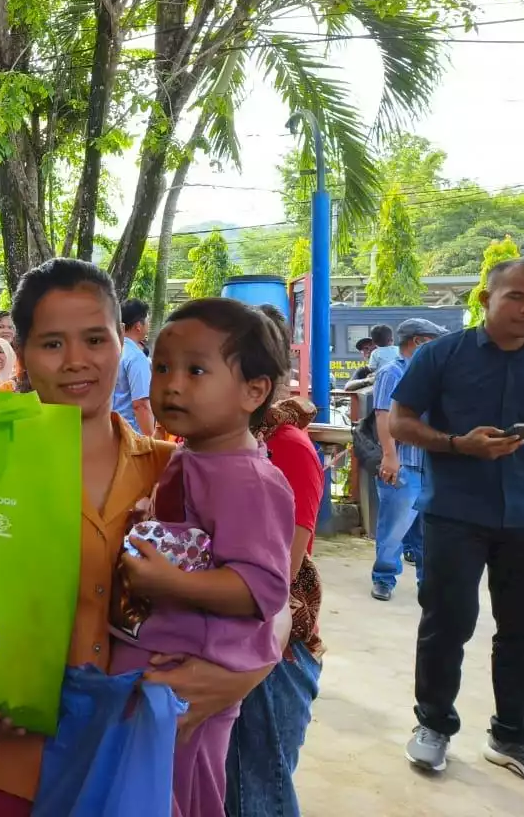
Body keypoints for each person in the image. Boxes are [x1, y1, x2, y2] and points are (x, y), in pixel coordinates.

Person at [0, 260, 286, 817]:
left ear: (122, 342)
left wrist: (239, 677)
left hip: (147, 761)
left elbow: (284, 597)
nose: (76, 361)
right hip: (28, 757)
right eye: (51, 343)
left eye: (95, 338)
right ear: (21, 352)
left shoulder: (178, 472)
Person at [111, 298, 294, 817]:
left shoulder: (247, 478)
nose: (171, 384)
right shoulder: (191, 458)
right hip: (158, 672)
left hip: (193, 682)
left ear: (253, 391)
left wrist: (169, 584)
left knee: (180, 794)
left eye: (196, 370)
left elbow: (261, 589)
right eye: (163, 367)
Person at [391, 259, 524, 792]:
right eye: (517, 297)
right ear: (485, 297)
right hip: (456, 513)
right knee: (447, 623)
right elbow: (400, 422)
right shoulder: (443, 354)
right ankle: (433, 724)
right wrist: (456, 444)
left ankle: (513, 738)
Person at [226, 304, 325, 817]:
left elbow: (278, 576)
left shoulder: (287, 449)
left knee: (255, 792)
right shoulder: (209, 445)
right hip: (224, 644)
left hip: (270, 654)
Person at [370, 318, 447, 602]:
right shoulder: (392, 372)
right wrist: (390, 456)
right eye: (433, 339)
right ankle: (384, 578)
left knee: (429, 531)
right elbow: (382, 416)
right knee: (394, 528)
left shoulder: (433, 374)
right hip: (405, 462)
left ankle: (427, 584)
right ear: (419, 341)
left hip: (431, 464)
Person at [112, 298, 154, 435]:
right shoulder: (136, 357)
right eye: (147, 320)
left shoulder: (113, 351)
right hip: (131, 434)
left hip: (111, 431)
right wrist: (151, 442)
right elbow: (141, 405)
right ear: (138, 326)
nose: (149, 324)